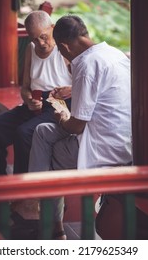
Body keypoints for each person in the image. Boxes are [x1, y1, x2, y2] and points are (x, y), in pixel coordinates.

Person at [28, 15, 132, 239]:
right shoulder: (114, 53)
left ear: (64, 46)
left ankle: (48, 217)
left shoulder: (84, 63)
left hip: (103, 150)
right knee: (41, 131)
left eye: (61, 53)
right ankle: (38, 199)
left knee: (50, 151)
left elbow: (75, 126)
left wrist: (61, 117)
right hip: (124, 141)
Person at [0, 10, 72, 178]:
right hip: (34, 104)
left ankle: (22, 195)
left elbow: (86, 82)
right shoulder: (31, 49)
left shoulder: (64, 48)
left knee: (23, 133)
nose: (41, 43)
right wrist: (29, 99)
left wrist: (71, 89)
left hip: (59, 105)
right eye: (34, 39)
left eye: (44, 36)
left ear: (52, 28)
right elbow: (25, 87)